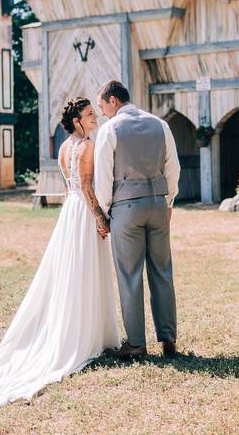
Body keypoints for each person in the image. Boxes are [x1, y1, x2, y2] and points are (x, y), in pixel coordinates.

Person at [0, 97, 119, 409]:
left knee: (72, 272)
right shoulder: (85, 147)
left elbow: (70, 184)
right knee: (84, 270)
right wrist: (100, 217)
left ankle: (82, 327)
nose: (95, 118)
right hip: (84, 212)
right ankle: (83, 335)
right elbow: (86, 187)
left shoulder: (64, 148)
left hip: (70, 213)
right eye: (89, 115)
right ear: (77, 121)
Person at [94, 80, 181, 358]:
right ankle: (168, 340)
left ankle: (136, 343)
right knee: (162, 271)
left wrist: (104, 212)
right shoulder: (160, 125)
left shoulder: (110, 130)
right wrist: (168, 201)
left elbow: (104, 177)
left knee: (130, 274)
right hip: (157, 203)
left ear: (114, 101)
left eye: (103, 106)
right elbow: (173, 168)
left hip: (126, 207)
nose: (102, 113)